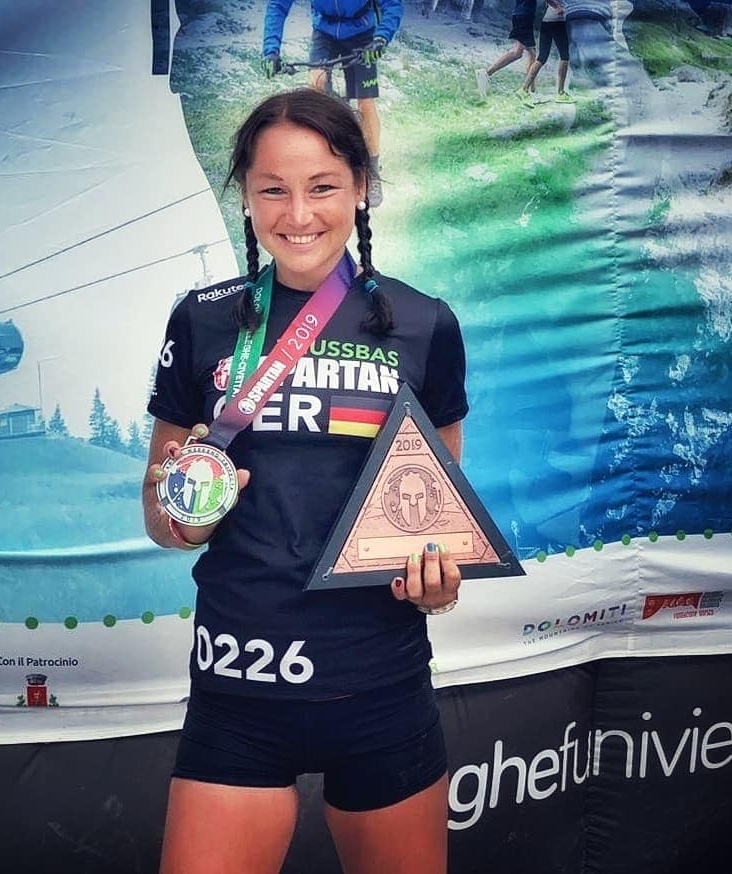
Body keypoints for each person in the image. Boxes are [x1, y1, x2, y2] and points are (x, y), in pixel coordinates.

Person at [143, 88, 468, 874]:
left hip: (378, 682)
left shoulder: (426, 323)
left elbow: (442, 523)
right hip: (239, 681)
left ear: (360, 187)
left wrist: (438, 580)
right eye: (272, 189)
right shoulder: (201, 320)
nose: (297, 215)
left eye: (322, 186)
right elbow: (161, 514)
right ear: (245, 196)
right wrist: (186, 513)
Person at [261, 0, 404, 208]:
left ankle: (372, 170)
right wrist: (271, 51)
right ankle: (322, 158)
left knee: (365, 103)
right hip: (324, 31)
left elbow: (392, 4)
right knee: (316, 90)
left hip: (362, 33)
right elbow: (277, 5)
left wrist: (381, 38)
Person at [476, 0, 561, 97]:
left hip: (523, 15)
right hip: (524, 16)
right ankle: (486, 73)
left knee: (532, 53)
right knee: (517, 52)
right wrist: (556, 7)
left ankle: (532, 91)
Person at [514, 1, 575, 107]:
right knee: (564, 56)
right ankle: (560, 93)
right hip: (557, 22)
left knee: (542, 57)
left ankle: (524, 89)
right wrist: (556, 7)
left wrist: (553, 6)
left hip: (546, 21)